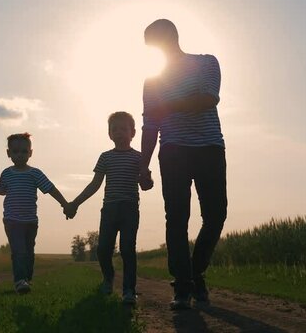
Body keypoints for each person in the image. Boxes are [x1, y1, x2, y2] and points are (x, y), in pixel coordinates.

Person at [139, 19, 227, 310]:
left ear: (173, 36)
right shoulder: (152, 81)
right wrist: (144, 165)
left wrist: (167, 106)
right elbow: (150, 125)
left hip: (209, 148)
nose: (156, 49)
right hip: (173, 150)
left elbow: (207, 99)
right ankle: (182, 284)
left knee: (215, 215)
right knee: (176, 218)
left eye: (157, 42)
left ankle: (194, 271)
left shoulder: (206, 63)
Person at [65, 112, 144, 305]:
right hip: (109, 209)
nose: (118, 133)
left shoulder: (139, 157)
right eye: (114, 129)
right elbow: (95, 184)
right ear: (109, 134)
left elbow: (145, 182)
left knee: (127, 249)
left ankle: (128, 291)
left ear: (132, 132)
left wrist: (147, 181)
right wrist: (75, 203)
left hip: (129, 209)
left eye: (123, 129)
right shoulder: (105, 157)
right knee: (103, 249)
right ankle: (108, 278)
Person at [0, 133, 69, 294]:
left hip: (30, 221)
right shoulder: (6, 173)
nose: (20, 155)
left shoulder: (35, 174)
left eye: (23, 151)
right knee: (19, 251)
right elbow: (1, 190)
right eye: (15, 152)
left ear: (30, 152)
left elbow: (50, 189)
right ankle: (19, 281)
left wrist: (65, 204)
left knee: (28, 252)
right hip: (12, 220)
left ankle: (26, 278)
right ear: (9, 153)